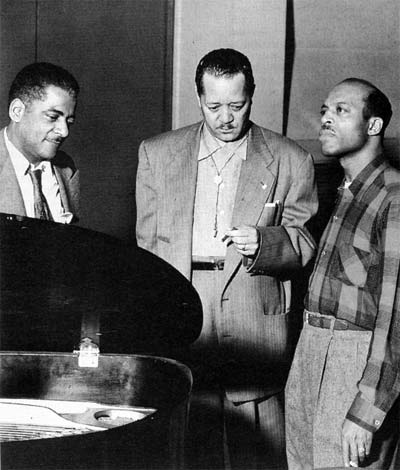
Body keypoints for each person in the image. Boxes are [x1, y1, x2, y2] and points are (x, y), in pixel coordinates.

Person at [136, 48, 318, 469]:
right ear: (198, 98)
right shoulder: (156, 154)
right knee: (186, 441)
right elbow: (147, 248)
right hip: (183, 302)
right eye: (213, 106)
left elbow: (305, 241)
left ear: (252, 96)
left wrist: (265, 242)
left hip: (252, 309)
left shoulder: (291, 159)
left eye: (237, 106)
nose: (225, 118)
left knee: (256, 452)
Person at [285, 78, 400, 470]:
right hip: (311, 349)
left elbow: (395, 316)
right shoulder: (345, 192)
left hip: (355, 361)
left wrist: (368, 408)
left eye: (341, 110)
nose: (326, 119)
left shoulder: (394, 196)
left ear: (374, 125)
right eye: (324, 110)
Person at [0, 62, 80, 223]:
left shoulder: (67, 168)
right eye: (52, 117)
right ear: (17, 111)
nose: (64, 131)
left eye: (69, 122)